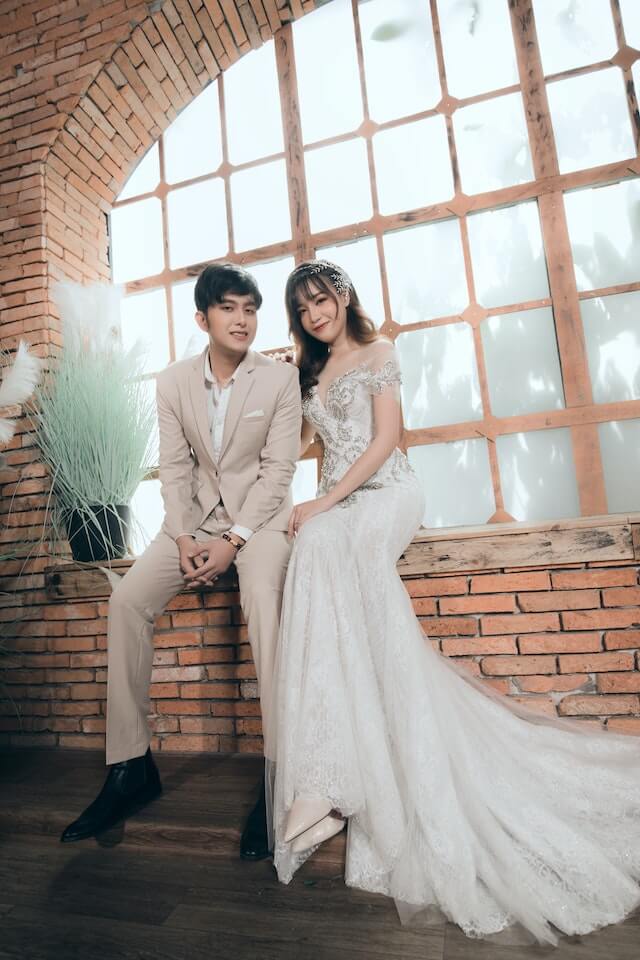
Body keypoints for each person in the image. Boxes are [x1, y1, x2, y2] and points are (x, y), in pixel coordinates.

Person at [267, 259, 640, 945]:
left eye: (321, 300)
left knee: (335, 541)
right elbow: (294, 447)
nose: (315, 316)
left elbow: (386, 440)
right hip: (337, 506)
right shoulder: (308, 374)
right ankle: (326, 774)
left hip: (388, 492)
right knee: (313, 545)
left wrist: (325, 499)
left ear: (343, 296)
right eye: (303, 310)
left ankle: (351, 771)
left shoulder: (379, 352)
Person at [61, 262, 301, 861]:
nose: (242, 320)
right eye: (228, 308)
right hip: (192, 525)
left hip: (259, 524)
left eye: (250, 309)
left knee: (263, 603)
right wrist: (185, 535)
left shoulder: (279, 380)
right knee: (126, 601)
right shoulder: (172, 382)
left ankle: (281, 777)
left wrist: (233, 540)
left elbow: (278, 473)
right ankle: (130, 768)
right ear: (203, 318)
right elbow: (173, 468)